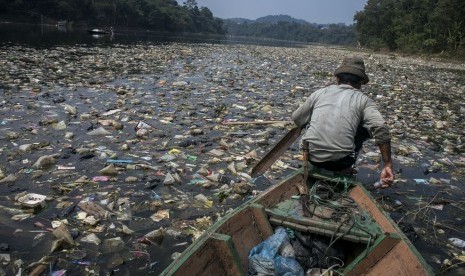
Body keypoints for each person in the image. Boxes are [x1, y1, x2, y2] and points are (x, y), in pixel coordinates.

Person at [291, 57, 394, 188]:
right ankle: (344, 168)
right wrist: (387, 164)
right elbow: (380, 127)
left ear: (338, 78)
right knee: (366, 130)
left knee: (309, 119)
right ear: (361, 82)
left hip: (310, 156)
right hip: (341, 162)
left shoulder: (320, 93)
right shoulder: (364, 100)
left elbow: (297, 118)